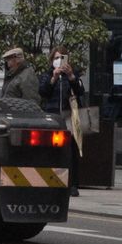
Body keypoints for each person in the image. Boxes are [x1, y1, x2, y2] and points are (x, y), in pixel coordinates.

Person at [38, 45, 86, 194]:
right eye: (56, 58)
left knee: (71, 150)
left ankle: (72, 184)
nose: (59, 61)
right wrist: (54, 78)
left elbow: (80, 91)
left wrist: (71, 76)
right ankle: (51, 180)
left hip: (69, 116)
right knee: (51, 150)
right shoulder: (47, 75)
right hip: (52, 116)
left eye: (61, 58)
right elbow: (43, 92)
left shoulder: (72, 74)